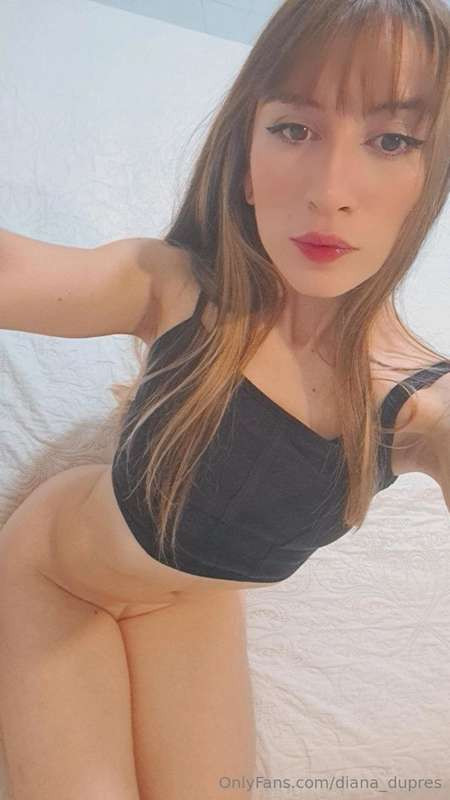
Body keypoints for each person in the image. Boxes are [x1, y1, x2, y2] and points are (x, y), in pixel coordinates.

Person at [0, 0, 449, 798]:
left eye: (390, 141)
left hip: (189, 608)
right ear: (245, 162)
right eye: (294, 129)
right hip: (65, 575)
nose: (330, 192)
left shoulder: (420, 406)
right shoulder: (175, 288)